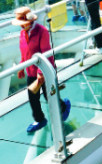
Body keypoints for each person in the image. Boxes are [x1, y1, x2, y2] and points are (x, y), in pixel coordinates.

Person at [14, 7, 70, 135]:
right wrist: (22, 67)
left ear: (31, 21)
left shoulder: (42, 31)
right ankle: (40, 120)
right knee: (32, 97)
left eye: (24, 24)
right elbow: (24, 52)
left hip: (45, 70)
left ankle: (64, 107)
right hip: (31, 71)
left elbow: (46, 53)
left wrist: (41, 73)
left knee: (48, 95)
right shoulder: (23, 33)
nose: (22, 27)